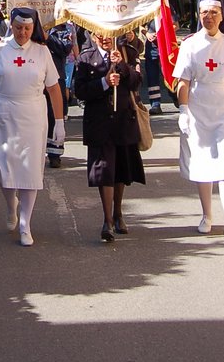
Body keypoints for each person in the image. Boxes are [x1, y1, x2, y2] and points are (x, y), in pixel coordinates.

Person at [0, 7, 65, 246]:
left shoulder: (42, 51)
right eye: (18, 28)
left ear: (33, 28)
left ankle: (26, 223)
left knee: (30, 168)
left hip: (33, 115)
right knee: (6, 168)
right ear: (11, 27)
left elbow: (54, 88)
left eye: (27, 28)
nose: (22, 32)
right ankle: (11, 206)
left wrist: (59, 121)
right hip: (5, 112)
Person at [174, 0, 224, 243]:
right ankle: (207, 215)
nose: (209, 17)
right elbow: (183, 81)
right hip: (199, 109)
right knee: (204, 163)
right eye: (204, 13)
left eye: (214, 13)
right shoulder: (189, 44)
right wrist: (184, 110)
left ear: (222, 16)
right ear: (199, 15)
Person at [74, 28, 146, 242]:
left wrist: (123, 67)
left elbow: (136, 82)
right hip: (99, 122)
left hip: (123, 120)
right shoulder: (86, 58)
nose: (104, 38)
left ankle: (118, 213)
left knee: (120, 170)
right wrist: (104, 83)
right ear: (92, 35)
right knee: (104, 170)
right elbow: (80, 90)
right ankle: (107, 220)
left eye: (108, 34)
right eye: (99, 34)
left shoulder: (127, 53)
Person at [44, 21, 74, 168]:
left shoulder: (66, 29)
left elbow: (65, 48)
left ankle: (54, 153)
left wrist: (47, 37)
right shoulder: (37, 26)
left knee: (55, 115)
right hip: (36, 77)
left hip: (56, 76)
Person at [143, 23, 163, 115]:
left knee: (169, 74)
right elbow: (139, 25)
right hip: (151, 49)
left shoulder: (166, 8)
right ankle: (155, 104)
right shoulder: (146, 9)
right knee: (152, 77)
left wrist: (161, 33)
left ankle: (175, 96)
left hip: (165, 45)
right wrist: (147, 34)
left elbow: (175, 25)